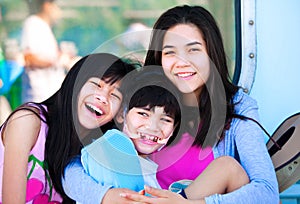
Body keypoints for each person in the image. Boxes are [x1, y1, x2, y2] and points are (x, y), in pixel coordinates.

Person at [121, 5, 279, 204]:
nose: (182, 62)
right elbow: (76, 164)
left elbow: (267, 192)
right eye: (170, 53)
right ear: (159, 59)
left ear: (211, 54)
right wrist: (104, 196)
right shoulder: (138, 102)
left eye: (193, 50)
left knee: (228, 167)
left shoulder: (239, 107)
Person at [62, 67, 249, 203]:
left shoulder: (146, 162)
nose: (153, 127)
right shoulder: (114, 146)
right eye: (143, 114)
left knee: (228, 166)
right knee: (227, 167)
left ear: (174, 129)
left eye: (165, 120)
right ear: (121, 115)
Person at [0, 53, 137, 203]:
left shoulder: (96, 151)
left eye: (115, 95)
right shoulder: (28, 122)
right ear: (75, 83)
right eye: (97, 85)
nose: (102, 98)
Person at [21, 0, 75, 103]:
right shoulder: (33, 23)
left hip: (51, 96)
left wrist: (64, 58)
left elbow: (49, 56)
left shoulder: (45, 27)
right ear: (47, 5)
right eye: (56, 7)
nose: (59, 11)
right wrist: (57, 62)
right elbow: (29, 59)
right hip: (38, 97)